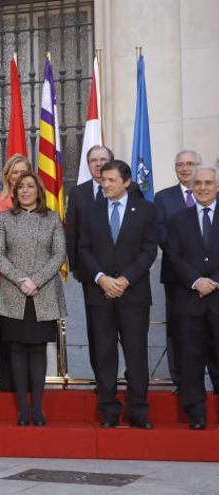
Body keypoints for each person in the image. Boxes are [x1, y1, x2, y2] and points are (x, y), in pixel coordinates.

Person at [78, 160, 157, 429]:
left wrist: (125, 279)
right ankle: (109, 411)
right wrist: (101, 278)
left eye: (111, 180)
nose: (105, 184)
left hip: (133, 294)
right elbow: (83, 249)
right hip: (100, 294)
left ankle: (139, 411)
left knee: (136, 354)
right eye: (103, 180)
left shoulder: (146, 210)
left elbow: (149, 251)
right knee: (104, 354)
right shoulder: (91, 211)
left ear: (126, 182)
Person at [0, 172, 66, 426]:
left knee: (38, 349)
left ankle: (38, 408)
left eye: (30, 186)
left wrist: (36, 281)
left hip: (43, 293)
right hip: (14, 293)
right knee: (17, 349)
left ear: (39, 191)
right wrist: (22, 280)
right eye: (20, 186)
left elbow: (59, 255)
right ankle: (23, 408)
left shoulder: (53, 218)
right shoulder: (5, 218)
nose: (24, 190)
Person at [155, 150, 219, 394]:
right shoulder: (163, 198)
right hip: (180, 280)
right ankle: (180, 381)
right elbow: (163, 236)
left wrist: (210, 279)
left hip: (214, 284)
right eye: (179, 164)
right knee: (181, 335)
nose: (184, 168)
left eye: (189, 163)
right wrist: (193, 277)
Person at [65, 145, 113, 380]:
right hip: (91, 273)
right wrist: (74, 266)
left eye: (103, 159)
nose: (99, 163)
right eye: (94, 160)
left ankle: (128, 378)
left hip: (123, 277)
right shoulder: (78, 193)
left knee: (128, 332)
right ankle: (102, 379)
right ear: (88, 163)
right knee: (97, 330)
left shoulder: (130, 189)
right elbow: (71, 230)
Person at [0, 154, 32, 391]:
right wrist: (16, 271)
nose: (18, 177)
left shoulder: (39, 202)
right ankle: (7, 384)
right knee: (7, 331)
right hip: (5, 276)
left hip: (36, 279)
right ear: (7, 176)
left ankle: (30, 382)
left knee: (31, 333)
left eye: (22, 172)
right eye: (14, 173)